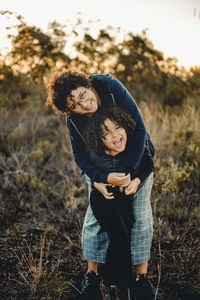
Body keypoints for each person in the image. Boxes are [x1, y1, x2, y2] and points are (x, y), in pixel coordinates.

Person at [46, 71, 156, 300]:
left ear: (87, 84)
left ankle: (140, 279)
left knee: (140, 216)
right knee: (95, 218)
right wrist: (100, 179)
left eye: (83, 95)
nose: (84, 105)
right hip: (100, 166)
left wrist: (128, 174)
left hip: (136, 160)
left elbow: (140, 132)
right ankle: (92, 275)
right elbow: (80, 156)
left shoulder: (111, 88)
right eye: (74, 105)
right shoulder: (73, 119)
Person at [83, 104, 155, 300]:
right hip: (103, 200)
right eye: (107, 133)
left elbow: (148, 163)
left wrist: (136, 181)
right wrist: (98, 184)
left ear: (125, 126)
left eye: (117, 128)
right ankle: (108, 282)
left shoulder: (134, 147)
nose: (114, 135)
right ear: (99, 139)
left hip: (124, 198)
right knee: (118, 236)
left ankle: (130, 280)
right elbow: (90, 172)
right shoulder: (97, 155)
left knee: (129, 229)